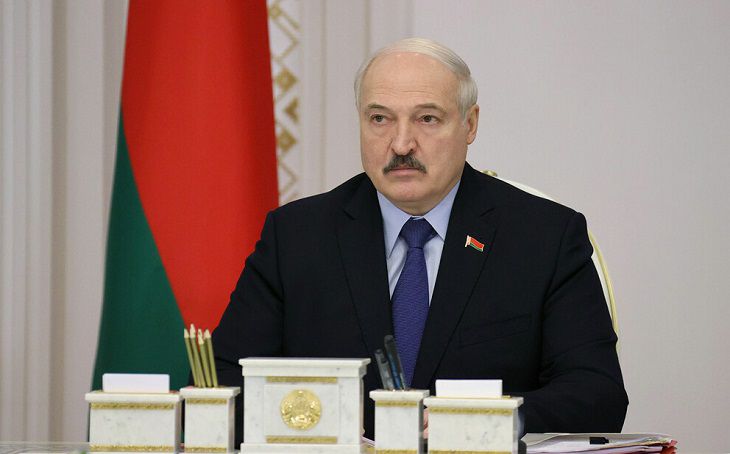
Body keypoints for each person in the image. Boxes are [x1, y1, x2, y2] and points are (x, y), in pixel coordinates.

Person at [213, 37, 628, 443]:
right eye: (380, 119)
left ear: (470, 124)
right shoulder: (297, 236)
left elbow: (597, 395)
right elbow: (221, 385)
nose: (401, 144)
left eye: (427, 118)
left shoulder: (544, 237)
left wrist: (485, 419)